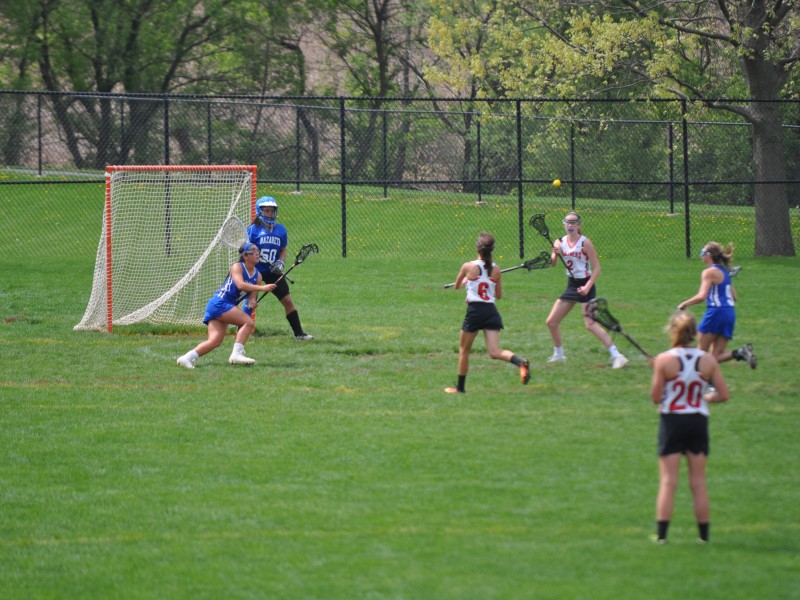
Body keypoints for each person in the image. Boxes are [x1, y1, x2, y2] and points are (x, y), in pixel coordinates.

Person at [650, 310, 730, 544]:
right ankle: (703, 537)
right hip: (697, 420)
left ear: (673, 331)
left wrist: (658, 372)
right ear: (694, 332)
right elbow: (723, 394)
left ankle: (662, 537)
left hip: (672, 421)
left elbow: (656, 397)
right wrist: (703, 398)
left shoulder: (664, 359)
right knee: (698, 482)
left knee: (668, 482)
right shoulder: (708, 360)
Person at [445, 232, 531, 393]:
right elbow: (498, 295)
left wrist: (466, 281)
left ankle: (460, 388)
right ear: (492, 249)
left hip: (475, 311)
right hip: (491, 311)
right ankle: (520, 363)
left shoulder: (468, 266)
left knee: (464, 350)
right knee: (494, 352)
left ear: (477, 248)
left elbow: (457, 286)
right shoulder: (496, 269)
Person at [544, 212, 628, 368]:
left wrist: (587, 287)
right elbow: (552, 264)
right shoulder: (560, 242)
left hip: (586, 284)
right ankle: (559, 355)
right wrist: (555, 254)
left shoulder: (585, 242)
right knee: (551, 322)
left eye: (573, 222)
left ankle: (618, 356)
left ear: (579, 225)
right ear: (564, 224)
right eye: (567, 222)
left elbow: (597, 269)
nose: (570, 225)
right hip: (572, 284)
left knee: (590, 324)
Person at [176, 243, 276, 368]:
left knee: (215, 341)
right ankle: (236, 354)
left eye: (258, 250)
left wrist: (252, 303)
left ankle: (186, 358)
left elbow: (251, 298)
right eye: (253, 251)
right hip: (219, 303)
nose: (257, 253)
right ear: (245, 256)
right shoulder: (237, 267)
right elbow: (240, 285)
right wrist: (263, 288)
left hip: (225, 307)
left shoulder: (258, 276)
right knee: (249, 323)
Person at [677, 241, 756, 369]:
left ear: (709, 255)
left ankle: (694, 376)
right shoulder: (725, 272)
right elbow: (734, 297)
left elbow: (701, 296)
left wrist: (684, 304)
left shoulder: (709, 272)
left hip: (716, 313)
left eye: (702, 252)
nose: (701, 255)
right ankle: (740, 352)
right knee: (714, 357)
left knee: (700, 355)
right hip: (729, 314)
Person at [246, 196, 313, 340]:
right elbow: (245, 252)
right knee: (250, 303)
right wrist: (253, 256)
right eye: (267, 211)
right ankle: (242, 333)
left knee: (288, 302)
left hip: (273, 271)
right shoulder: (252, 230)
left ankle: (299, 334)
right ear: (260, 211)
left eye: (272, 211)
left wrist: (280, 262)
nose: (270, 214)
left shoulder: (280, 230)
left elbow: (283, 250)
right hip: (256, 271)